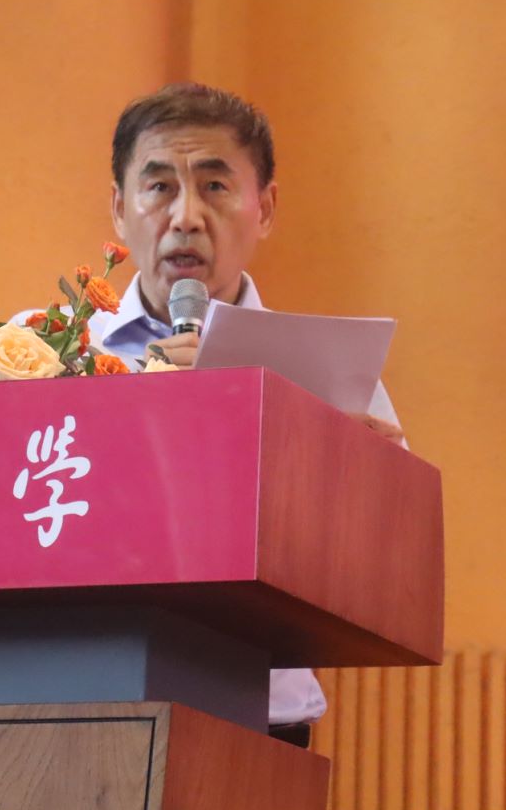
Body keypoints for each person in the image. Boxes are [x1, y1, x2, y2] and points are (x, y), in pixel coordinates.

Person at [88, 82, 407, 743]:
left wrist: (342, 464)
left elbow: (387, 561)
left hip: (258, 709)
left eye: (215, 187)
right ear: (119, 209)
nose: (186, 217)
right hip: (79, 693)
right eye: (159, 188)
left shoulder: (326, 372)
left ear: (265, 208)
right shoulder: (49, 351)